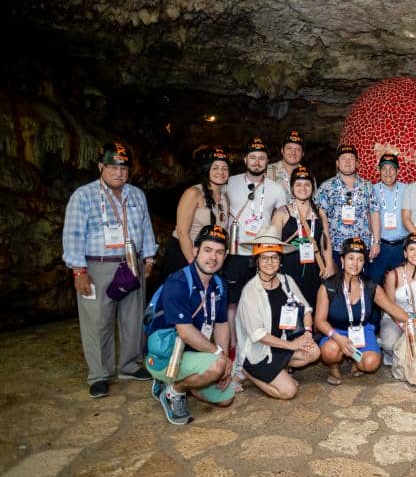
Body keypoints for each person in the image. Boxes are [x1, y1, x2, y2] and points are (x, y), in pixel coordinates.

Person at [63, 143, 158, 398]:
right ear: (101, 167)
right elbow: (72, 235)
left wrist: (149, 257)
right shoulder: (83, 196)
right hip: (98, 266)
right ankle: (99, 374)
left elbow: (146, 227)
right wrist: (78, 270)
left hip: (132, 262)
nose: (119, 173)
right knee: (98, 321)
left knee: (133, 318)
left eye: (124, 168)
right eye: (113, 167)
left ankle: (130, 365)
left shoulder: (136, 195)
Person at [145, 225, 233, 425]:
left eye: (219, 252)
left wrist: (226, 360)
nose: (213, 257)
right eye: (208, 250)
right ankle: (173, 391)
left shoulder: (218, 284)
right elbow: (185, 332)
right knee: (216, 365)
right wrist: (219, 356)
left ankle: (178, 380)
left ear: (225, 256)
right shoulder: (178, 282)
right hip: (164, 353)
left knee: (226, 398)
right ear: (195, 251)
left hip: (189, 351)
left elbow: (221, 324)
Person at [236, 225, 320, 399]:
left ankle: (279, 369)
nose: (269, 262)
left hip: (281, 344)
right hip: (259, 351)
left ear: (280, 260)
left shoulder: (286, 280)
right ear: (257, 260)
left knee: (314, 351)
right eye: (264, 258)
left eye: (274, 257)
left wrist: (307, 333)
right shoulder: (250, 291)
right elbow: (258, 335)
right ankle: (248, 372)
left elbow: (306, 310)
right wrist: (293, 346)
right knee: (288, 392)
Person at [314, 238, 412, 385]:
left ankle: (356, 359)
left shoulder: (370, 286)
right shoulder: (328, 287)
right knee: (331, 351)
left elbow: (392, 309)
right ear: (342, 260)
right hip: (335, 332)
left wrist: (414, 321)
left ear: (364, 263)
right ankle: (334, 366)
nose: (355, 263)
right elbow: (319, 321)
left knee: (371, 363)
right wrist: (338, 338)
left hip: (361, 331)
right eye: (351, 258)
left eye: (360, 259)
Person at [223, 137, 288, 347]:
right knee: (232, 303)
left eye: (261, 158)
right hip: (235, 253)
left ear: (267, 162)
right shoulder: (229, 183)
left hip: (262, 254)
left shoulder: (276, 189)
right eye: (253, 157)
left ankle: (261, 346)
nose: (257, 162)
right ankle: (234, 346)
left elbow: (282, 217)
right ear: (245, 159)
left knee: (263, 300)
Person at [160, 147, 230, 279]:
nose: (221, 172)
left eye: (224, 168)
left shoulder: (224, 197)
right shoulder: (194, 193)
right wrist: (194, 266)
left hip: (207, 258)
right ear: (206, 169)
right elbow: (182, 232)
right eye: (215, 168)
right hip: (184, 255)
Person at [271, 165, 334, 306]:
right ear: (292, 188)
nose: (303, 188)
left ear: (313, 187)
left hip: (315, 270)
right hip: (288, 268)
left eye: (307, 184)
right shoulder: (282, 212)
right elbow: (273, 244)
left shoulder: (319, 213)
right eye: (298, 184)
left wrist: (329, 264)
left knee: (313, 307)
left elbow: (326, 240)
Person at [313, 144, 381, 271]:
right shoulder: (326, 187)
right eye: (344, 158)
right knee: (337, 287)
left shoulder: (367, 186)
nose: (348, 161)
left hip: (362, 247)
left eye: (351, 158)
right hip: (336, 248)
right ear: (337, 163)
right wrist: (324, 251)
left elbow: (374, 213)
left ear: (357, 163)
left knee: (361, 287)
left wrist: (376, 242)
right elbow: (320, 221)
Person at [380, 233, 416, 366]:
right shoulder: (393, 275)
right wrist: (404, 324)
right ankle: (387, 351)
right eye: (412, 249)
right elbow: (389, 307)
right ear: (405, 253)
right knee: (391, 344)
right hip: (395, 319)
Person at [368, 153, 408, 285]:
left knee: (402, 286)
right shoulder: (371, 190)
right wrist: (374, 242)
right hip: (379, 246)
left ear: (398, 171)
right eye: (384, 168)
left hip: (401, 247)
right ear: (378, 170)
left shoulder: (407, 189)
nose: (388, 172)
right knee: (373, 285)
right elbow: (367, 218)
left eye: (392, 169)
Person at [266, 130, 307, 195]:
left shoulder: (308, 175)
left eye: (297, 149)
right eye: (289, 148)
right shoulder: (266, 171)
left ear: (302, 154)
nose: (293, 152)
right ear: (282, 150)